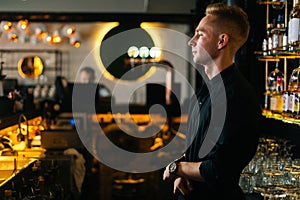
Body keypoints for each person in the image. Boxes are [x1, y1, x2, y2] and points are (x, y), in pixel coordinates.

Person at [163, 3, 262, 200]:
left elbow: (218, 169)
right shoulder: (206, 89)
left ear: (221, 41)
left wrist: (177, 168)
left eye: (200, 34)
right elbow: (198, 146)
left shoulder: (235, 96)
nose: (191, 41)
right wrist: (183, 170)